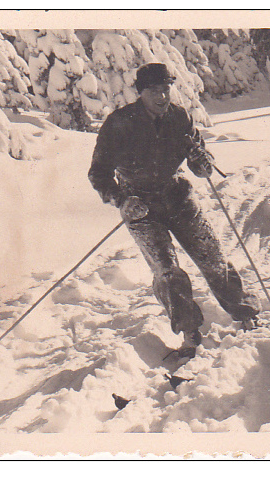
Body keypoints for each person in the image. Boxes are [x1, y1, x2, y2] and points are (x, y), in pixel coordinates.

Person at [88, 63, 260, 358]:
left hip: (176, 195)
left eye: (166, 88)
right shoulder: (119, 123)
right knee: (167, 271)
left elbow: (199, 163)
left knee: (213, 258)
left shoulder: (179, 117)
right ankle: (190, 332)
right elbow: (98, 174)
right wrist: (121, 200)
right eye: (154, 90)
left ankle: (244, 312)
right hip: (140, 206)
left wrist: (201, 161)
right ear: (140, 92)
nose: (162, 96)